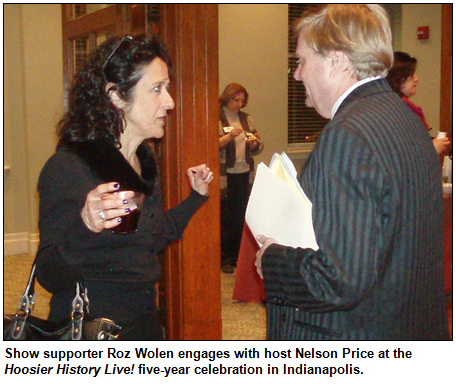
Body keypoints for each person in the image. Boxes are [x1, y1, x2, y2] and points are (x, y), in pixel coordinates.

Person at [255, 4, 448, 340]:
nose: (297, 74)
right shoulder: (406, 120)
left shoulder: (347, 134)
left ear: (337, 59)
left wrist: (271, 260)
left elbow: (339, 278)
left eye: (301, 61)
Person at [35, 35, 214, 340]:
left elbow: (147, 242)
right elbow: (50, 275)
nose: (169, 102)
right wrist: (86, 225)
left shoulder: (142, 165)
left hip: (143, 323)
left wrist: (195, 198)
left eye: (167, 88)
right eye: (157, 89)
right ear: (117, 96)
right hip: (92, 331)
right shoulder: (69, 168)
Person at [219, 83, 263, 274]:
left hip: (244, 173)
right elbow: (210, 145)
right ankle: (224, 258)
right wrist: (228, 138)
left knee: (240, 216)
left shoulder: (247, 119)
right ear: (227, 98)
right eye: (235, 100)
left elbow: (259, 146)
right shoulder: (217, 118)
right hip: (224, 175)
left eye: (242, 101)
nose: (239, 104)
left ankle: (237, 256)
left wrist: (254, 143)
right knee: (225, 217)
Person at [386, 51, 450, 155]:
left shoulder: (390, 104)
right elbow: (407, 153)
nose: (416, 79)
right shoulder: (402, 109)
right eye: (411, 75)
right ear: (398, 78)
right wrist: (432, 150)